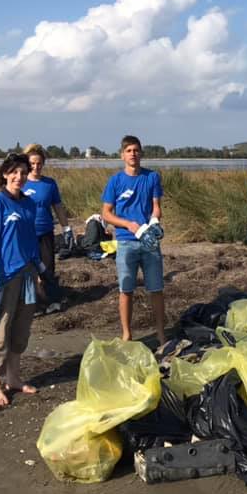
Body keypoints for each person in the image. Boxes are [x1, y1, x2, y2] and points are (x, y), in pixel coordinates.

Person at [0, 153, 42, 407]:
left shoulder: (29, 203)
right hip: (3, 276)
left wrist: (38, 270)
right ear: (5, 174)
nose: (19, 177)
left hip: (27, 273)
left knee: (21, 328)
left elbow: (30, 240)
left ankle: (13, 377)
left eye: (23, 172)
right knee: (1, 328)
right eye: (14, 172)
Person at [101, 135, 166, 344]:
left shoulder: (152, 177)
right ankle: (127, 334)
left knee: (156, 288)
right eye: (128, 151)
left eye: (136, 150)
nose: (133, 154)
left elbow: (156, 206)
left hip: (148, 240)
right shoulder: (115, 181)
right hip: (125, 241)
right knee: (126, 289)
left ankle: (161, 333)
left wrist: (154, 221)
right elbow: (106, 214)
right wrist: (128, 224)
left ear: (141, 153)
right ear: (122, 155)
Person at [22, 143, 74, 315]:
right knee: (29, 270)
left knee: (48, 269)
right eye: (32, 163)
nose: (36, 166)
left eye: (39, 163)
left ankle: (51, 300)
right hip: (25, 234)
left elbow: (58, 207)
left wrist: (66, 228)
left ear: (43, 163)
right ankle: (34, 304)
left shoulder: (49, 184)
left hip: (45, 232)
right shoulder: (20, 182)